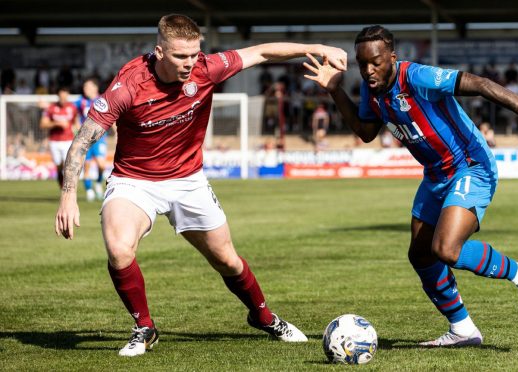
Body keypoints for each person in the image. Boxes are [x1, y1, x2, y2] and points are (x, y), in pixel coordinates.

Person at [54, 14, 346, 357]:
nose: (189, 63)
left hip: (188, 180)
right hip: (135, 180)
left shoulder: (208, 68)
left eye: (194, 54)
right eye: (180, 56)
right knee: (119, 249)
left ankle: (265, 317)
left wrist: (314, 47)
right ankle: (144, 327)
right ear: (159, 52)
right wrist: (68, 196)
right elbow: (82, 140)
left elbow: (263, 53)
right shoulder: (128, 84)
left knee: (228, 261)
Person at [304, 25, 518, 347]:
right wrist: (334, 90)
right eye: (362, 63)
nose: (369, 70)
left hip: (470, 166)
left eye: (376, 62)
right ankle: (463, 329)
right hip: (435, 175)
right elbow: (366, 131)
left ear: (392, 58)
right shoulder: (372, 89)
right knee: (421, 255)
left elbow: (478, 84)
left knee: (446, 249)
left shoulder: (415, 77)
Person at [75, 78, 108, 201]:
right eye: (84, 87)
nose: (85, 89)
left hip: (99, 138)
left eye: (87, 87)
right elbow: (72, 113)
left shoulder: (103, 100)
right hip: (85, 139)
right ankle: (89, 191)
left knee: (102, 165)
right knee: (86, 166)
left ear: (95, 88)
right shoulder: (80, 101)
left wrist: (116, 131)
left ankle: (99, 183)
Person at [40, 86, 78, 188]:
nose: (63, 99)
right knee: (58, 165)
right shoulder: (51, 108)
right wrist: (57, 123)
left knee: (68, 165)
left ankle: (68, 188)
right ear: (58, 96)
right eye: (61, 97)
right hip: (55, 141)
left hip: (68, 140)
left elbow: (76, 123)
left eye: (65, 97)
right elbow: (43, 124)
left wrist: (78, 135)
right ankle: (61, 183)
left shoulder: (72, 108)